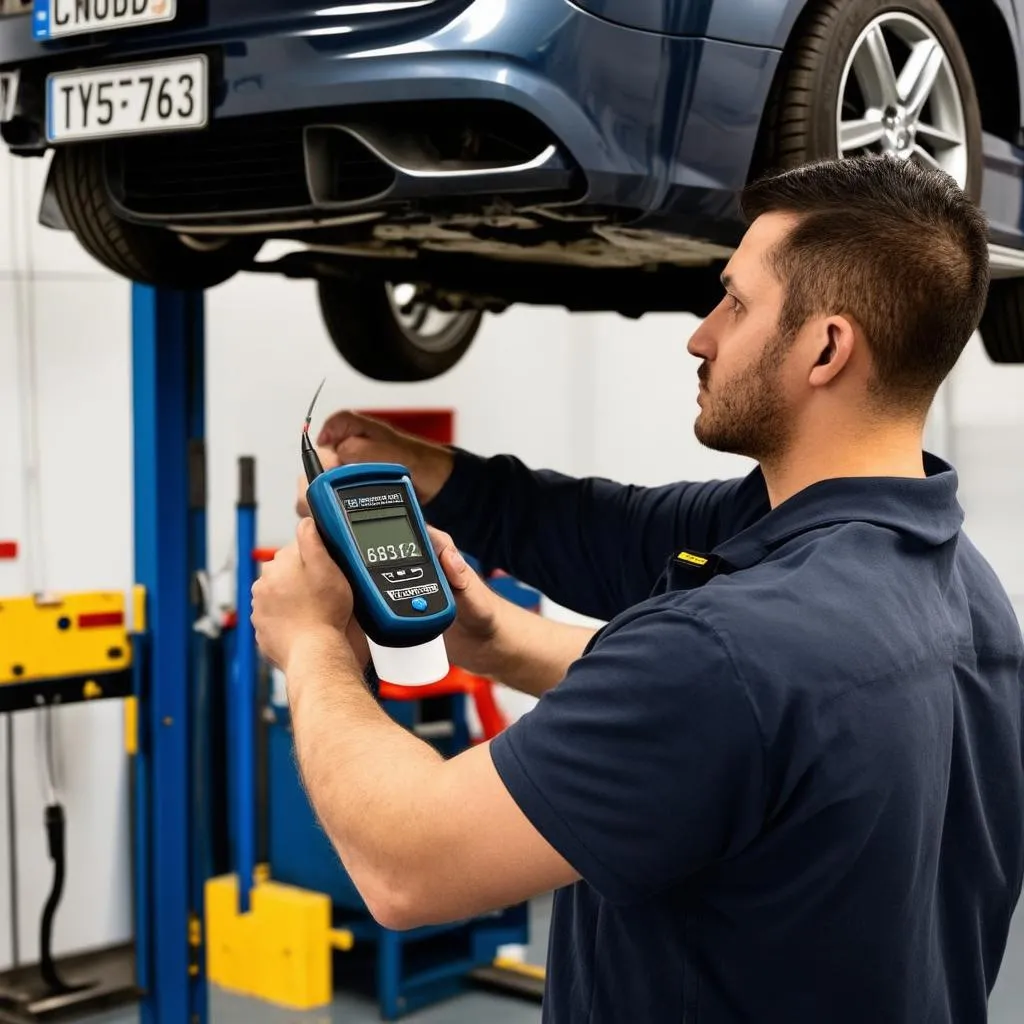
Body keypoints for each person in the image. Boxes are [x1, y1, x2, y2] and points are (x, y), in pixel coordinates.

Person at [251, 154, 1024, 1024]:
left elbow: (405, 862)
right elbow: (605, 536)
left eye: (734, 303)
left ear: (826, 348)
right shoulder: (964, 587)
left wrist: (312, 645)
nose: (701, 333)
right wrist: (488, 603)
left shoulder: (731, 654)